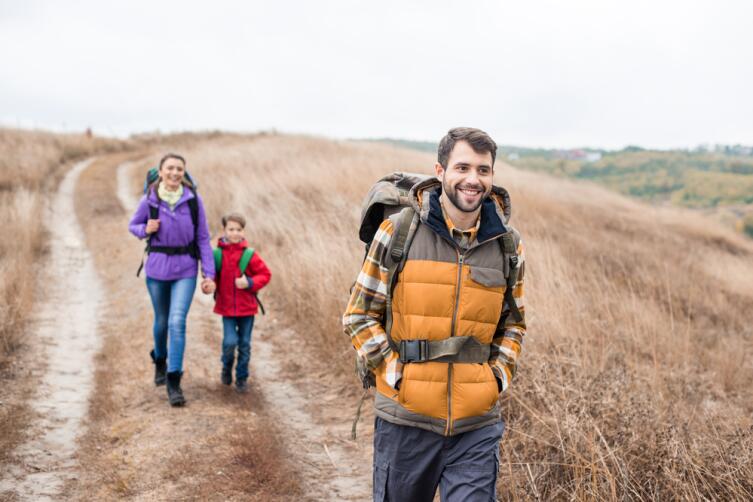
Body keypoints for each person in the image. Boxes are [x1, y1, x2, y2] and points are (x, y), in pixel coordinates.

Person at [343, 127, 526, 501]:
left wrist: (497, 380)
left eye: (483, 170)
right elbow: (359, 314)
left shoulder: (508, 244)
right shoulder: (398, 231)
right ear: (440, 171)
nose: (473, 179)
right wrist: (397, 377)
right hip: (406, 420)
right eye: (462, 167)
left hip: (476, 425)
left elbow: (514, 324)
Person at [129, 153, 216, 407]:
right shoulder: (149, 200)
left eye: (179, 169)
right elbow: (133, 225)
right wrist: (145, 230)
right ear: (161, 171)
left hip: (186, 270)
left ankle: (174, 379)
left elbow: (203, 239)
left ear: (184, 173)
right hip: (156, 269)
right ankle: (160, 359)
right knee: (162, 321)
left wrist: (208, 274)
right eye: (170, 168)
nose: (175, 173)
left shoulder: (193, 201)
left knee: (177, 322)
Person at [212, 212, 271, 393]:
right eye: (231, 229)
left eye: (238, 229)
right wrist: (209, 284)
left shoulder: (249, 255)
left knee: (244, 344)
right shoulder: (217, 254)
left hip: (247, 309)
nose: (235, 233)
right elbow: (212, 276)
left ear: (243, 231)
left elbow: (265, 274)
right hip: (226, 308)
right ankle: (226, 367)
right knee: (230, 342)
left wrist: (250, 282)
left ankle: (242, 378)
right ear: (224, 231)